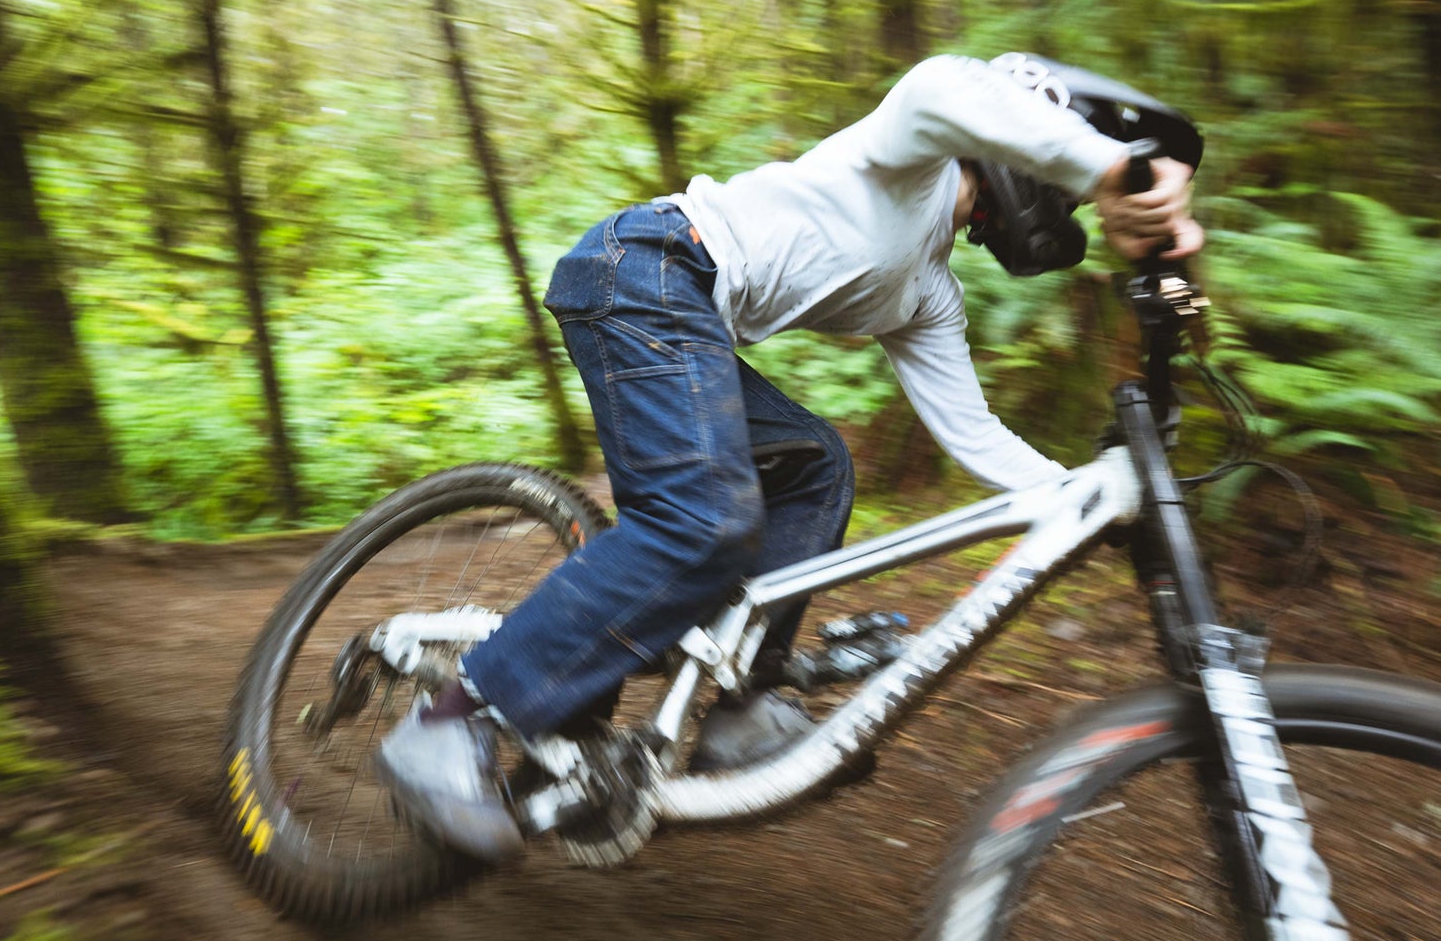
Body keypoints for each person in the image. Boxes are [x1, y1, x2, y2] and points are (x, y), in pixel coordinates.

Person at [374, 51, 1202, 861]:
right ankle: (451, 723)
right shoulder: (915, 150)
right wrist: (1114, 168)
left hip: (678, 310)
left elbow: (975, 435)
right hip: (642, 267)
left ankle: (742, 704)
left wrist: (1095, 498)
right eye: (1063, 179)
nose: (1071, 205)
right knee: (704, 521)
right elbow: (943, 83)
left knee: (816, 466)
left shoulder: (927, 290)